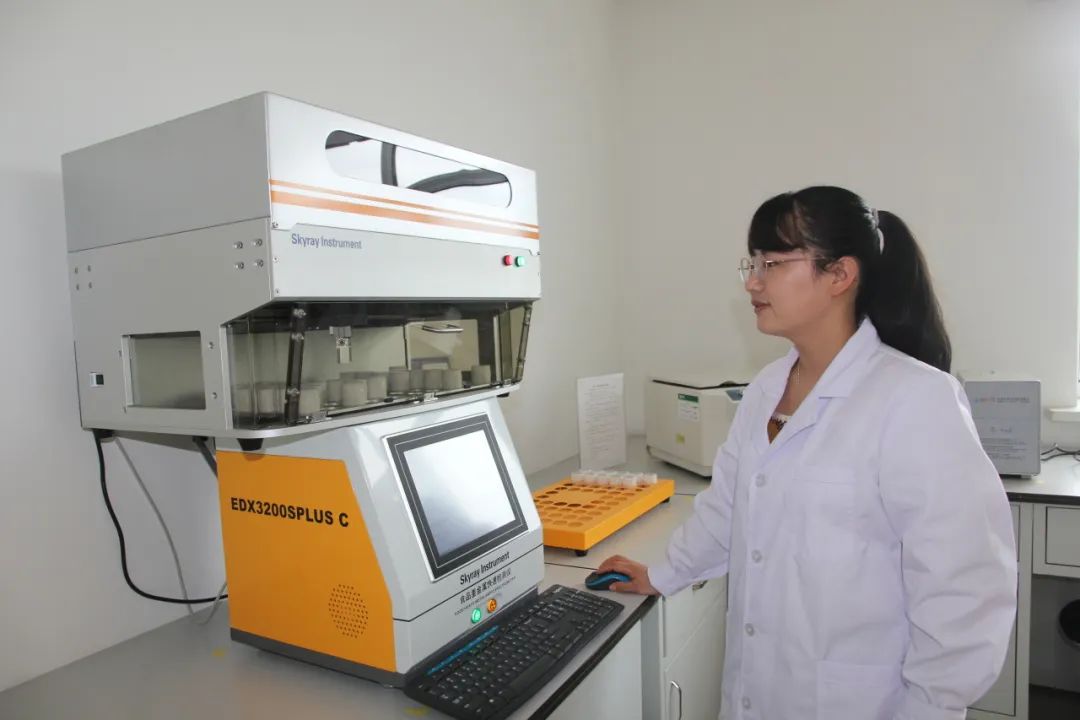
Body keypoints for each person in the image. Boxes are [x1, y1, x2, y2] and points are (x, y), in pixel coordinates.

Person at [598, 186, 1017, 720]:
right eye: (752, 263)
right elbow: (728, 508)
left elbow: (964, 588)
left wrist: (931, 707)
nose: (752, 281)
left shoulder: (916, 399)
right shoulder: (766, 388)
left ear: (839, 275)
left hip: (866, 703)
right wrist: (662, 573)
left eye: (772, 263)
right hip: (758, 691)